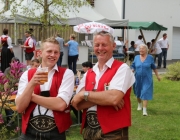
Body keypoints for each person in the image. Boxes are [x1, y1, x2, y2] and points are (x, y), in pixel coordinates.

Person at [71, 31, 135, 140]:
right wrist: (105, 97)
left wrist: (83, 94)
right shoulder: (89, 73)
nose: (100, 48)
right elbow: (77, 104)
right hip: (89, 129)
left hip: (113, 131)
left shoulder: (122, 68)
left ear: (113, 46)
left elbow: (114, 98)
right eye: (97, 45)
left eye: (104, 45)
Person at [16, 37, 74, 139]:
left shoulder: (67, 74)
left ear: (59, 54)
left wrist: (31, 96)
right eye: (49, 51)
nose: (53, 55)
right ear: (40, 53)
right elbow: (20, 107)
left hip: (55, 132)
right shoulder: (27, 74)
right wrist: (31, 84)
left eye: (56, 52)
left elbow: (60, 105)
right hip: (29, 132)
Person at [131, 44, 160, 116]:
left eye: (142, 48)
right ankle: (139, 104)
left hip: (147, 79)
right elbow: (133, 66)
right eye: (140, 48)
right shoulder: (136, 57)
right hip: (137, 78)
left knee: (145, 93)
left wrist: (157, 76)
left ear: (146, 50)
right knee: (138, 93)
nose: (140, 50)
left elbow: (154, 67)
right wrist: (131, 71)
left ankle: (144, 111)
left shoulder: (150, 58)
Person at [4, 57, 20, 126]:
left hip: (17, 90)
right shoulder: (7, 70)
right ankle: (10, 119)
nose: (13, 64)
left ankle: (12, 118)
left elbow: (20, 83)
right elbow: (5, 81)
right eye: (12, 62)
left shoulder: (20, 71)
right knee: (6, 102)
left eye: (15, 63)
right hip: (8, 89)